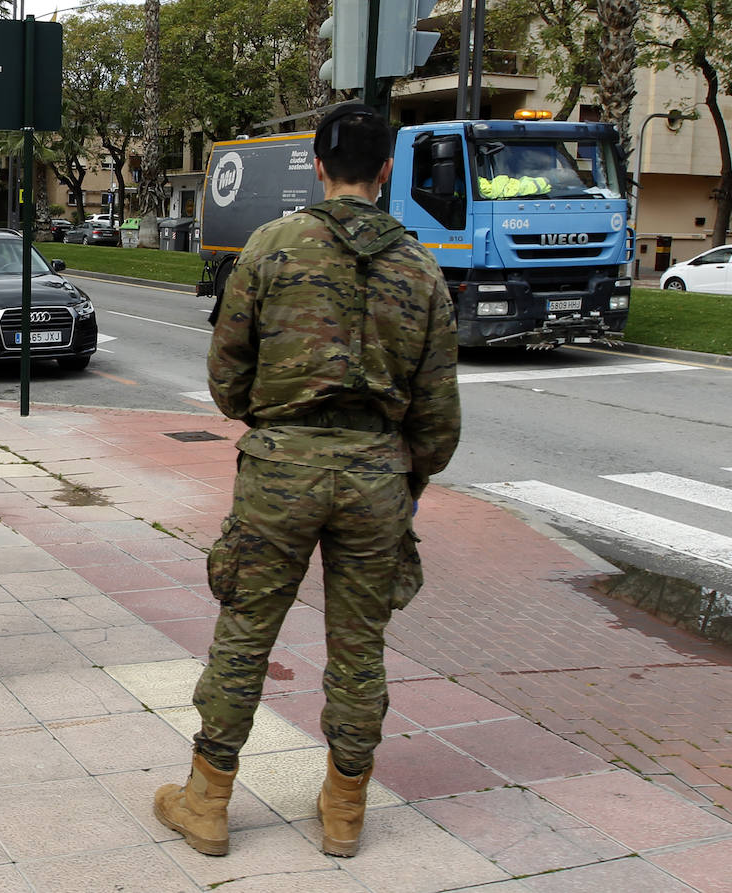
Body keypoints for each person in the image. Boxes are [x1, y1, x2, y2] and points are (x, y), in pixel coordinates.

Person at [153, 102, 461, 859]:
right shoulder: (421, 269)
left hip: (281, 470)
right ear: (386, 171)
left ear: (319, 167)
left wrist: (272, 416)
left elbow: (227, 373)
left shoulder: (269, 247)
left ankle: (208, 800)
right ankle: (344, 811)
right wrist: (405, 472)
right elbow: (439, 415)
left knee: (245, 633)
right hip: (376, 476)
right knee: (360, 644)